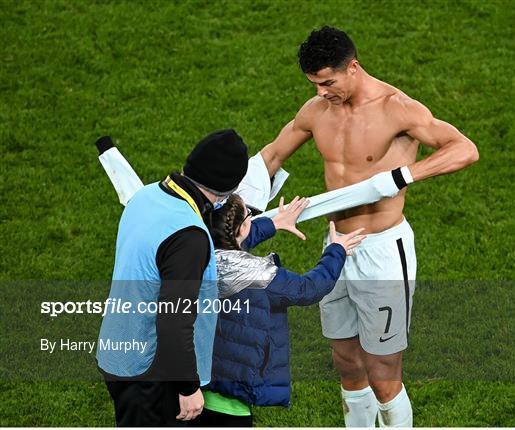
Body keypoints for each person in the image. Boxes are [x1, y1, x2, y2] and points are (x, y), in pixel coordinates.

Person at [260, 26, 479, 427]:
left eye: (328, 82)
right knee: (346, 363)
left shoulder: (396, 108)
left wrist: (402, 177)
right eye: (314, 84)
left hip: (382, 252)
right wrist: (233, 202)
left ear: (353, 68)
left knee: (382, 374)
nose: (322, 92)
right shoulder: (316, 112)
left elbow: (465, 149)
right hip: (336, 249)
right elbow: (271, 156)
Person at [96, 129, 249, 426]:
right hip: (152, 374)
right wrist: (188, 386)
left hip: (119, 351)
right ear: (228, 188)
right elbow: (173, 320)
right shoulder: (188, 236)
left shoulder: (146, 195)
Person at [188, 194, 365, 427]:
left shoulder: (195, 258)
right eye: (250, 216)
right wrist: (336, 250)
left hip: (192, 392)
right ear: (240, 228)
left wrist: (274, 223)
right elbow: (308, 289)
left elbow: (230, 240)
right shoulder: (261, 277)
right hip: (232, 409)